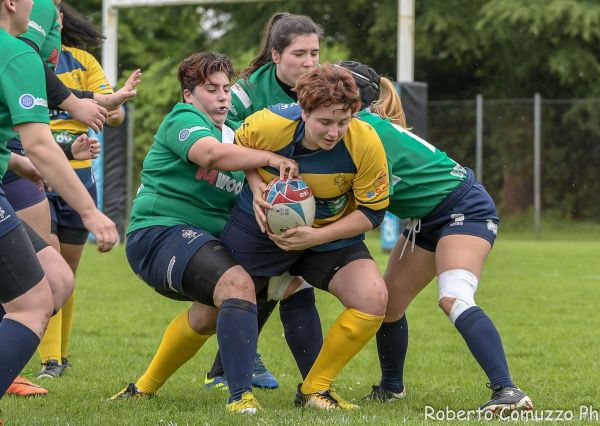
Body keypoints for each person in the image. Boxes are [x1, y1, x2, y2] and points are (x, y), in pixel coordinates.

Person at [334, 61, 533, 413]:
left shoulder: (363, 131)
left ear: (350, 99)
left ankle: (508, 391)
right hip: (425, 218)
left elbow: (369, 209)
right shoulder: (350, 126)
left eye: (330, 83)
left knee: (453, 296)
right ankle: (391, 388)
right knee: (387, 303)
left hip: (464, 208)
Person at [109, 52, 299, 414]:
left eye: (227, 88)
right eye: (211, 89)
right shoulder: (184, 118)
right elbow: (211, 155)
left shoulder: (236, 135)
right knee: (237, 284)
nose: (223, 96)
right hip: (157, 233)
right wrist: (270, 159)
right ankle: (240, 396)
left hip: (205, 242)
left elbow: (244, 164)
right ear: (188, 95)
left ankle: (144, 388)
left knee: (210, 314)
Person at [220, 64, 389, 410]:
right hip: (259, 230)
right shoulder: (269, 123)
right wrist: (255, 187)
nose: (333, 132)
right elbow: (239, 152)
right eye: (324, 122)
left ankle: (315, 389)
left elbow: (373, 214)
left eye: (342, 122)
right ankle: (146, 386)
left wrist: (315, 236)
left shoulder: (366, 141)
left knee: (373, 298)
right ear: (303, 109)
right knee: (210, 310)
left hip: (331, 234)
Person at [0, 0, 117, 416]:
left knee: (56, 278)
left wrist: (16, 164)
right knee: (32, 303)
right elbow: (39, 141)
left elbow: (25, 148)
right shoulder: (15, 52)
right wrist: (90, 211)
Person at [204, 11, 322, 391]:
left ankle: (237, 365)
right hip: (244, 193)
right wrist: (255, 182)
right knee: (256, 279)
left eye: (315, 53)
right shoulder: (247, 92)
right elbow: (229, 141)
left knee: (285, 277)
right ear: (275, 55)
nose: (309, 63)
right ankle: (238, 363)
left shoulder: (323, 87)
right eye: (299, 54)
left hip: (295, 195)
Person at [35, 0, 127, 379]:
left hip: (77, 176)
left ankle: (63, 353)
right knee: (48, 259)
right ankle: (49, 360)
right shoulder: (24, 59)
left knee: (68, 270)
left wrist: (115, 104)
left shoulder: (82, 62)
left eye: (57, 9)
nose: (53, 14)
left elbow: (113, 111)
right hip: (35, 172)